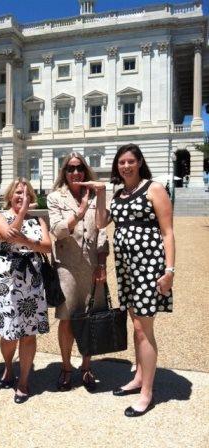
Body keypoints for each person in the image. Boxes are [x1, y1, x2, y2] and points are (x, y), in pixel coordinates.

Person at [101, 143, 175, 417]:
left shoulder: (154, 188)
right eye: (121, 162)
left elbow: (167, 233)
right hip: (126, 267)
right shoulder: (120, 193)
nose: (126, 166)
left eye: (130, 161)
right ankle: (139, 377)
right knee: (135, 324)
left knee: (144, 329)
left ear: (140, 162)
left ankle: (147, 393)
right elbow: (100, 223)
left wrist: (170, 271)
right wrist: (100, 193)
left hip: (148, 266)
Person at [0, 178, 51, 404]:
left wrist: (28, 241)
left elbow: (47, 247)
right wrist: (21, 217)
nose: (22, 196)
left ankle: (24, 381)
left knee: (28, 333)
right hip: (6, 279)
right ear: (10, 195)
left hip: (31, 278)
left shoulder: (39, 220)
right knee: (9, 333)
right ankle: (9, 367)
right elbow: (9, 236)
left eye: (27, 193)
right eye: (18, 192)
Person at [47, 152, 108, 392]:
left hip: (92, 266)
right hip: (67, 266)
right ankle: (65, 367)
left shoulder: (95, 196)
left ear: (85, 171)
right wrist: (80, 211)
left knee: (92, 317)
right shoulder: (55, 197)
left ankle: (86, 366)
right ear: (64, 172)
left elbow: (102, 230)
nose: (75, 173)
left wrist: (102, 263)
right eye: (70, 168)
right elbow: (57, 230)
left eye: (79, 168)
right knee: (67, 319)